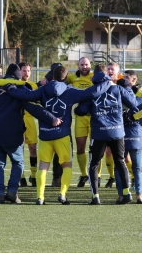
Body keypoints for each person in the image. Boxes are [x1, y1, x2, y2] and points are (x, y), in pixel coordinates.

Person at [4, 65, 112, 205]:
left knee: (43, 166)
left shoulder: (43, 90)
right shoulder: (70, 90)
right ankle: (62, 194)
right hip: (62, 135)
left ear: (52, 76)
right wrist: (107, 82)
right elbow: (90, 92)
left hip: (45, 135)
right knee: (67, 166)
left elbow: (26, 96)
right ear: (66, 78)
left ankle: (40, 197)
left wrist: (10, 88)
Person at [0, 64, 59, 204]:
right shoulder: (20, 89)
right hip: (13, 133)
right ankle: (12, 192)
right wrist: (52, 119)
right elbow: (34, 108)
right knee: (18, 163)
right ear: (18, 77)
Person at [74, 70, 137, 205]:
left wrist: (89, 110)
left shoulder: (92, 91)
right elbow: (133, 103)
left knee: (94, 164)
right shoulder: (118, 88)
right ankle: (126, 192)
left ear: (94, 81)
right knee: (120, 161)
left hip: (99, 132)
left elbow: (80, 111)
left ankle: (95, 196)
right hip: (117, 131)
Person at [65, 57, 93, 187]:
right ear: (78, 66)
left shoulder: (95, 76)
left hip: (95, 118)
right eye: (82, 65)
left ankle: (95, 176)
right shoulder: (72, 78)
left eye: (86, 64)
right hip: (80, 118)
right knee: (80, 148)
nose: (84, 67)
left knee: (95, 148)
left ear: (90, 65)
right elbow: (60, 77)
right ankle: (83, 174)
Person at [18, 61, 39, 187]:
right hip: (17, 120)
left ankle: (34, 176)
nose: (26, 73)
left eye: (28, 71)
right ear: (19, 71)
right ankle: (21, 177)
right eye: (24, 70)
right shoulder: (15, 85)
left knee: (33, 148)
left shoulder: (33, 86)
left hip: (30, 120)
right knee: (19, 149)